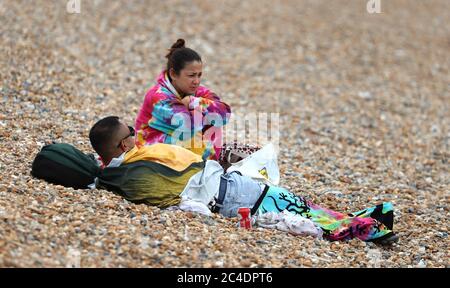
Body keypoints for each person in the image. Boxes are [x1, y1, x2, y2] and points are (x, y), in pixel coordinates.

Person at [89, 116, 399, 245]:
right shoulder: (135, 170)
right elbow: (174, 195)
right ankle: (367, 230)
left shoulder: (130, 165)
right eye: (131, 131)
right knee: (297, 208)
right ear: (123, 145)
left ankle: (360, 221)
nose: (136, 131)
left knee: (299, 206)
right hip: (232, 195)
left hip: (229, 188)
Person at [135, 39, 232, 161]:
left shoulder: (195, 91)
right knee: (205, 121)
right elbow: (187, 128)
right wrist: (206, 110)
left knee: (212, 119)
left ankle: (211, 164)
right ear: (173, 74)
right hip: (153, 158)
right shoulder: (158, 98)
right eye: (191, 75)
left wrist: (194, 102)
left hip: (184, 156)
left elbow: (225, 113)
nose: (196, 81)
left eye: (199, 75)